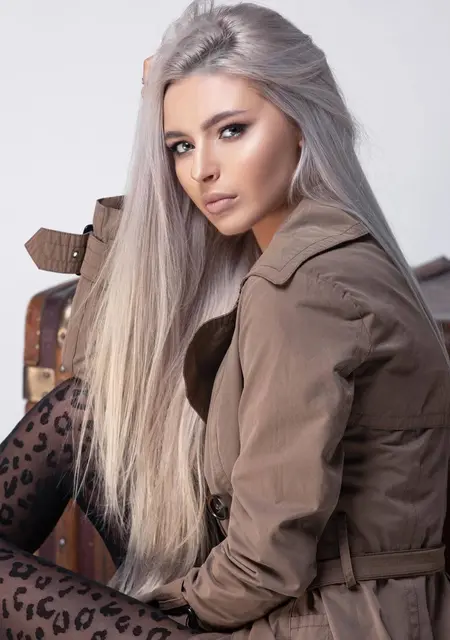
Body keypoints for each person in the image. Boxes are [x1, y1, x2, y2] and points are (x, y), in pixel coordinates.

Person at [2, 0, 450, 637]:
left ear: (301, 122)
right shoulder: (339, 251)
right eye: (180, 146)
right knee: (86, 413)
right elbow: (126, 351)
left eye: (232, 130)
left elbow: (266, 563)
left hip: (323, 623)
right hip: (362, 612)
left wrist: (137, 614)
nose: (201, 170)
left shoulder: (300, 289)